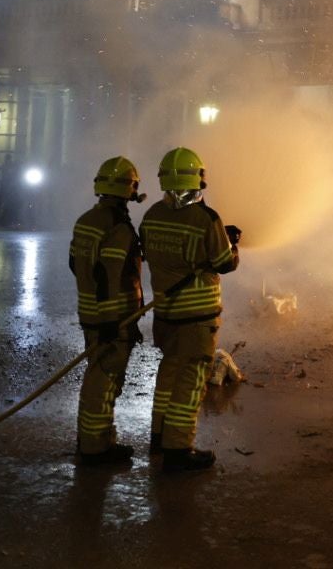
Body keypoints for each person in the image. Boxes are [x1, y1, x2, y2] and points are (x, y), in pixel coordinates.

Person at [141, 146, 240, 473]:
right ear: (198, 178)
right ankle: (178, 449)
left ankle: (158, 436)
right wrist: (232, 243)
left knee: (168, 373)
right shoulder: (205, 218)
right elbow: (224, 264)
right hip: (197, 318)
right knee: (190, 380)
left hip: (166, 314)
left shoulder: (153, 214)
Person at [69, 156, 147, 466]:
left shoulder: (86, 220)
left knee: (98, 377)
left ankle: (97, 440)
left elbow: (76, 264)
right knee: (104, 382)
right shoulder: (118, 227)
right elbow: (111, 274)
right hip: (112, 319)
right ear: (130, 188)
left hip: (91, 314)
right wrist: (112, 320)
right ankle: (94, 449)